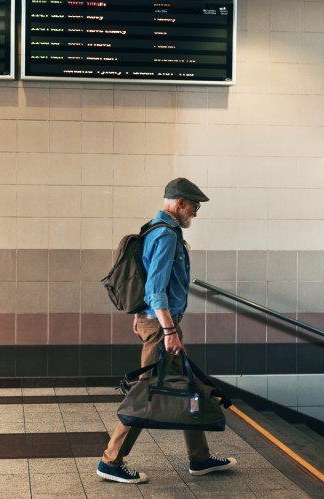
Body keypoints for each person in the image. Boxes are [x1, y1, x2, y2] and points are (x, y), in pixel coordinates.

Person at [97, 177, 237, 484]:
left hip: (157, 323)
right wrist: (169, 330)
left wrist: (140, 315)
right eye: (194, 207)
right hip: (163, 327)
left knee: (187, 387)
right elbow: (155, 289)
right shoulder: (166, 236)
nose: (195, 214)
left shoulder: (153, 229)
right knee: (145, 392)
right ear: (180, 203)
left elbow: (146, 279)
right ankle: (111, 461)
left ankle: (199, 458)